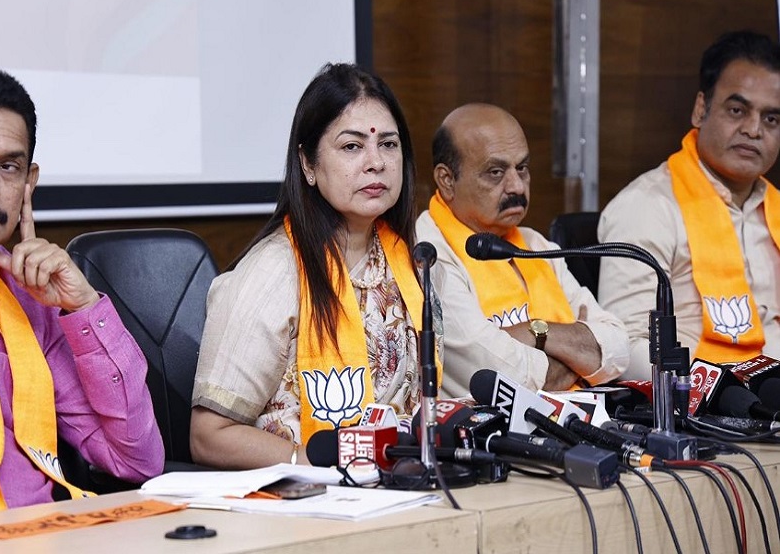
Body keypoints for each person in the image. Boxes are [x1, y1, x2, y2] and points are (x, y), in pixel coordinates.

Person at [0, 68, 164, 519]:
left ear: (28, 183)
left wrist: (83, 307)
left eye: (8, 167)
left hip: (43, 536)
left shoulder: (29, 299)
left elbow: (136, 461)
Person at [190, 63, 433, 470]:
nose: (376, 162)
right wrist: (312, 464)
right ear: (308, 164)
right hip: (308, 493)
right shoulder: (272, 272)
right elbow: (209, 436)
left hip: (402, 484)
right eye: (352, 147)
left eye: (389, 144)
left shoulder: (413, 263)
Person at [599, 30, 780, 380]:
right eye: (737, 110)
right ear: (701, 109)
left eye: (771, 119)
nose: (754, 129)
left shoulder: (775, 208)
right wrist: (716, 394)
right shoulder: (647, 208)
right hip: (703, 403)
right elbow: (625, 348)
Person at [416, 103, 629, 396]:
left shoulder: (534, 243)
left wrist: (533, 331)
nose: (516, 186)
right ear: (447, 180)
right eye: (495, 172)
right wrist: (579, 357)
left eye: (522, 168)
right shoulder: (429, 254)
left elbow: (617, 348)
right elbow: (498, 376)